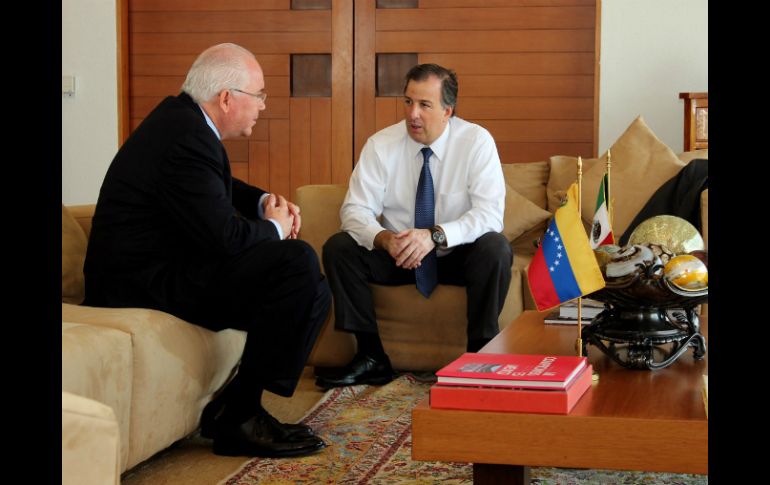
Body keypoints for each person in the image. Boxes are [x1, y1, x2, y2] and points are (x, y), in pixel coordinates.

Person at [82, 43, 330, 458]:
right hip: (139, 284)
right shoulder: (186, 136)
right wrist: (274, 227)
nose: (263, 105)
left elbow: (216, 188)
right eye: (259, 95)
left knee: (315, 289)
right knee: (296, 263)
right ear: (227, 98)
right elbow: (225, 239)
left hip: (166, 270)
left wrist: (262, 202)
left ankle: (236, 406)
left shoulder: (183, 123)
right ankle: (240, 419)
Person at [317, 64, 512, 389]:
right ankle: (371, 357)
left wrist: (435, 236)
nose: (413, 114)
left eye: (424, 105)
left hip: (455, 256)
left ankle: (479, 356)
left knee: (496, 248)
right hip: (399, 256)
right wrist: (384, 239)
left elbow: (490, 214)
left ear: (448, 110)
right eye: (408, 102)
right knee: (340, 247)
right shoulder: (381, 144)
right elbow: (354, 210)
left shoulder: (476, 142)